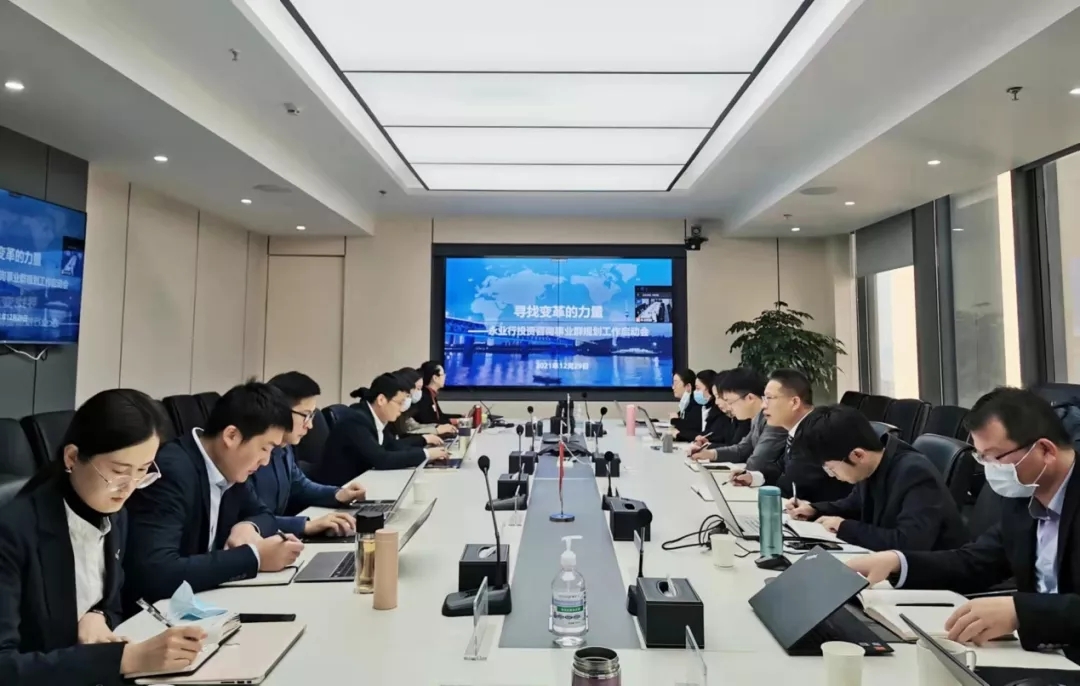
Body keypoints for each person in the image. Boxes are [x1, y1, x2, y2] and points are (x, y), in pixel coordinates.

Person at [846, 388, 1080, 659]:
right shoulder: (1024, 495)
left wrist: (1022, 612)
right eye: (981, 457)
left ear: (1045, 450)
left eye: (995, 457)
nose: (990, 469)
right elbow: (976, 562)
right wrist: (897, 562)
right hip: (1043, 654)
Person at [0, 389, 208, 684]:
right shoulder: (13, 532)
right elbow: (5, 667)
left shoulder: (114, 513)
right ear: (72, 457)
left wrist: (96, 615)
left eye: (143, 471)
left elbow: (112, 601)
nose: (129, 487)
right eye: (119, 472)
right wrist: (125, 659)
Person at [124, 382, 304, 606]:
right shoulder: (172, 471)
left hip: (203, 601)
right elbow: (158, 572)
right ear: (231, 436)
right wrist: (255, 557)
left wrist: (248, 526)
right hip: (155, 611)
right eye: (264, 448)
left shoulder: (230, 467)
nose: (266, 461)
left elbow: (264, 514)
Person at [785, 405, 969, 551]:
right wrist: (814, 509)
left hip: (932, 576)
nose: (831, 475)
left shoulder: (914, 473)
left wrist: (844, 527)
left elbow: (908, 543)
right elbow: (855, 504)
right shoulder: (873, 463)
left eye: (831, 468)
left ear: (857, 455)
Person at [248, 372, 366, 538]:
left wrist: (337, 494)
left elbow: (299, 485)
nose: (310, 425)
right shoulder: (250, 454)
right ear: (281, 412)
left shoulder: (284, 447)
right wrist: (305, 525)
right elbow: (248, 520)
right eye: (306, 415)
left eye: (312, 416)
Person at [731, 369, 852, 503]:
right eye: (764, 398)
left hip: (822, 512)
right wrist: (753, 477)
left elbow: (793, 486)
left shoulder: (816, 433)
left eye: (769, 398)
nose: (763, 405)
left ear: (794, 402)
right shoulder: (800, 428)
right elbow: (782, 468)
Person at [315, 373, 449, 486]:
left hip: (362, 482)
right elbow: (382, 459)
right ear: (381, 400)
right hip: (339, 491)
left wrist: (424, 445)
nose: (402, 408)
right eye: (400, 402)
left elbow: (392, 446)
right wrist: (426, 454)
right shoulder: (356, 420)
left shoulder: (375, 417)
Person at [691, 367, 786, 469]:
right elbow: (742, 449)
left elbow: (758, 462)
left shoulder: (773, 420)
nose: (729, 407)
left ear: (750, 398)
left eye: (730, 402)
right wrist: (710, 454)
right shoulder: (757, 418)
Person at [392, 367, 455, 437]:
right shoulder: (395, 411)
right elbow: (407, 434)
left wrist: (437, 427)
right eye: (418, 388)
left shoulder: (408, 410)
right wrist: (436, 430)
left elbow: (414, 426)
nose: (419, 392)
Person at [412, 361, 462, 426]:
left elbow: (439, 416)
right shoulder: (423, 396)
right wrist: (455, 421)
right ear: (435, 378)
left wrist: (460, 417)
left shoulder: (431, 394)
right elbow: (428, 421)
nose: (445, 376)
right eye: (443, 374)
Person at [711, 372, 751, 446]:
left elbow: (738, 448)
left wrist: (709, 446)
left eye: (719, 397)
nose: (716, 402)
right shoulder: (730, 417)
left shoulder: (746, 418)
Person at [669, 369, 702, 442]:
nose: (673, 387)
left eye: (675, 383)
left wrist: (675, 420)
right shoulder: (686, 404)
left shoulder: (696, 404)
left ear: (688, 386)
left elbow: (690, 428)